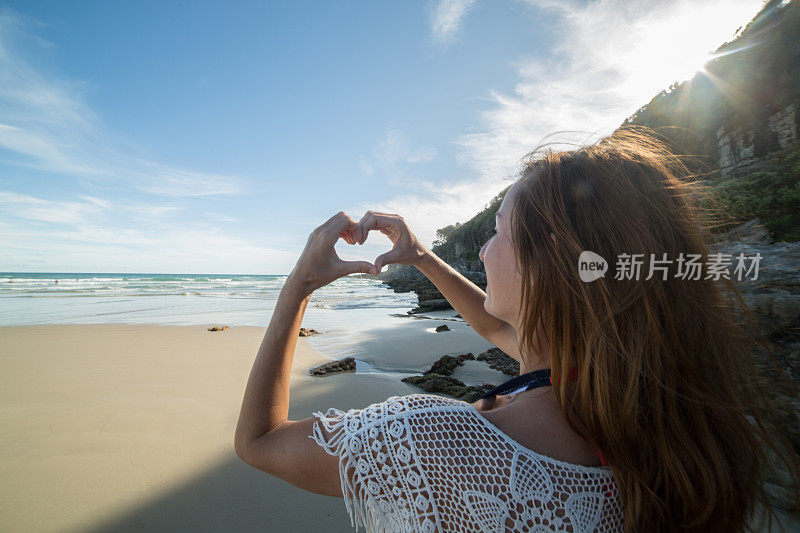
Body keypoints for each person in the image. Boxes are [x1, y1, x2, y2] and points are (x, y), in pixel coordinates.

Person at [234, 128, 800, 532]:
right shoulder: (645, 414)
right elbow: (491, 323)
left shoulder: (441, 443)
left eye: (499, 231)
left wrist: (298, 289)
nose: (484, 246)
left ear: (552, 262)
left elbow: (260, 444)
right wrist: (424, 256)